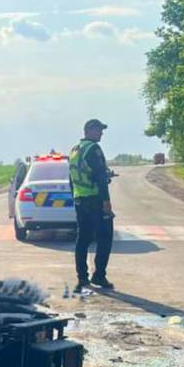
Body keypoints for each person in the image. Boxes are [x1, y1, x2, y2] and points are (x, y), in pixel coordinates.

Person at [70, 118, 115, 291]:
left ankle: (82, 278)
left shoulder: (75, 150)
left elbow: (72, 177)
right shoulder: (94, 149)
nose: (101, 133)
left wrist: (73, 197)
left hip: (81, 200)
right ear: (87, 130)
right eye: (98, 129)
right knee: (105, 237)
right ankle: (99, 276)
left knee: (82, 239)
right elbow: (100, 179)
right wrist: (107, 203)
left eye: (101, 130)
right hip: (96, 200)